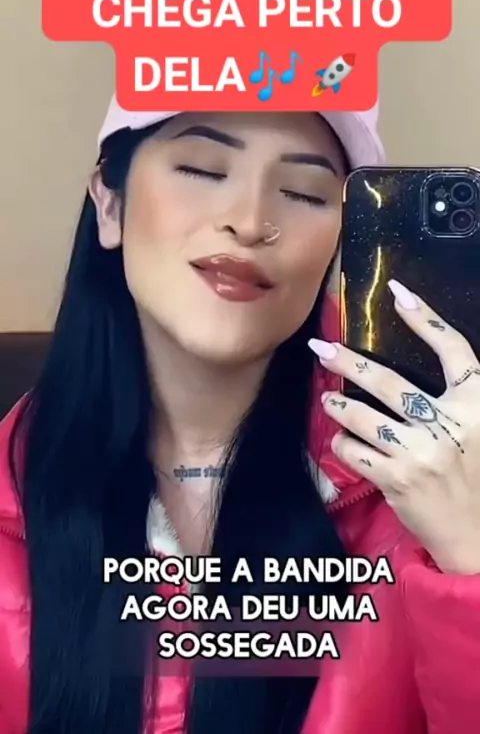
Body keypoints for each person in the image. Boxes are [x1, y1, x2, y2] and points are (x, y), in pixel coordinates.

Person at [0, 101, 479, 734]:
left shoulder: (424, 496)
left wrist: (468, 566)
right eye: (202, 169)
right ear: (110, 206)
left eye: (303, 193)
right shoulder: (14, 506)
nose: (250, 223)